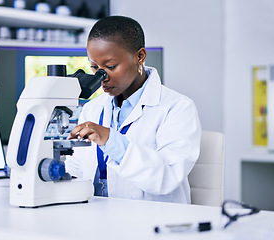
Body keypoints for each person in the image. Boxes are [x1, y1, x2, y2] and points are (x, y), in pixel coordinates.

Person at [66, 15, 201, 204]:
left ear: (140, 56)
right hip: (96, 217)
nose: (101, 76)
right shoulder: (92, 109)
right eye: (94, 67)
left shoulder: (177, 107)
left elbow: (167, 178)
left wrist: (109, 139)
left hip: (150, 223)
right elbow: (77, 167)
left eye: (110, 66)